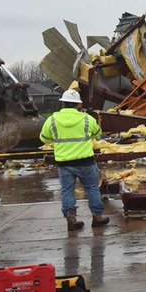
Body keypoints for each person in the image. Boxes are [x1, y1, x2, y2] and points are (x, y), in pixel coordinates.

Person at [39, 89, 108, 231]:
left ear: (63, 104)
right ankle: (97, 217)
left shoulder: (52, 120)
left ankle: (71, 219)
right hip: (85, 161)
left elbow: (44, 138)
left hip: (64, 163)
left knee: (67, 191)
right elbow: (98, 135)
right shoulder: (87, 119)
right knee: (92, 189)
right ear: (78, 105)